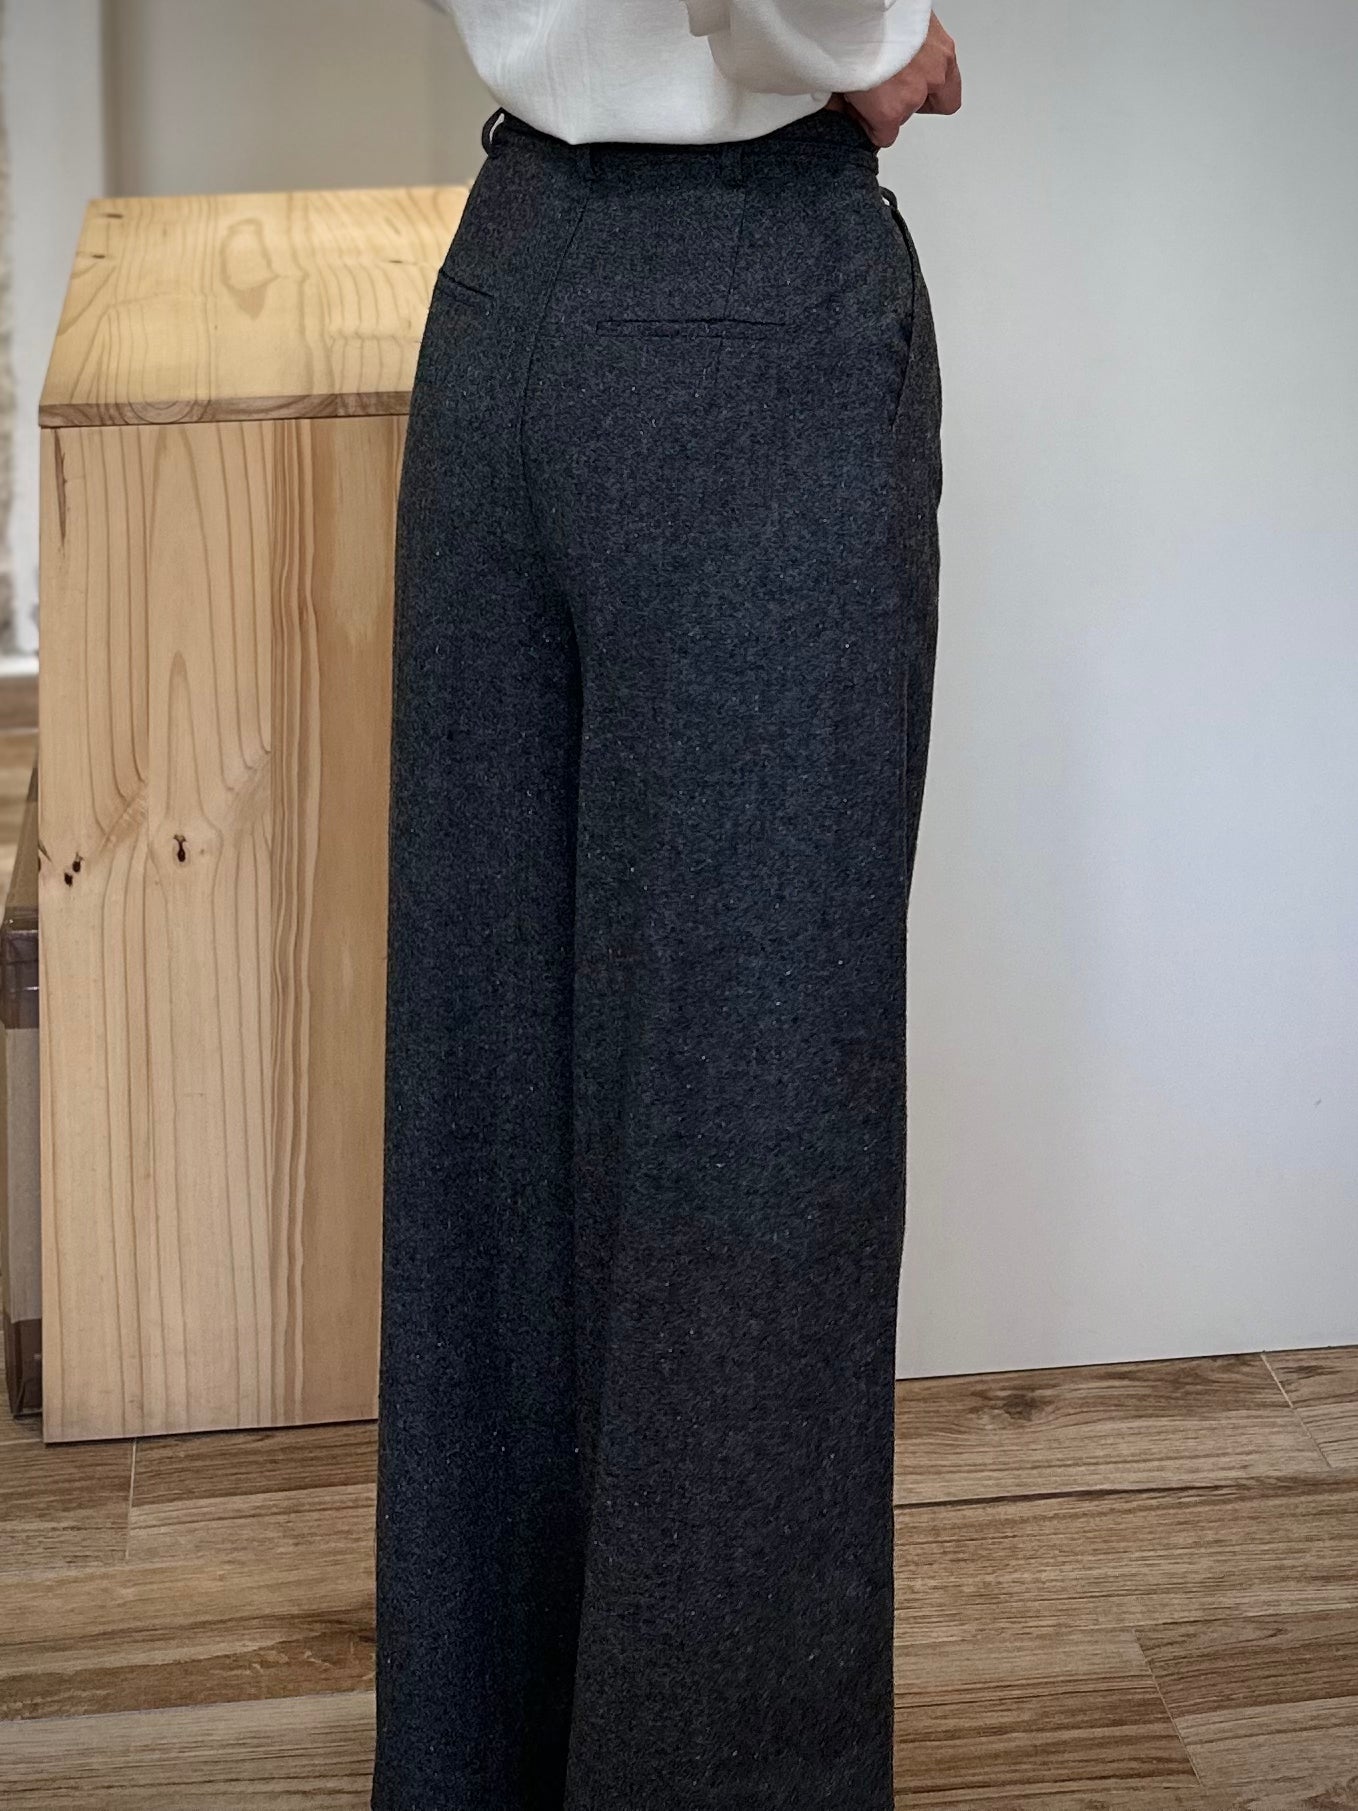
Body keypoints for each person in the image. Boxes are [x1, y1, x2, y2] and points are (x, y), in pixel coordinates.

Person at [373, 4, 961, 1808]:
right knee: (748, 1144)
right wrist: (869, 37)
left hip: (508, 289)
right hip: (745, 306)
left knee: (494, 1127)